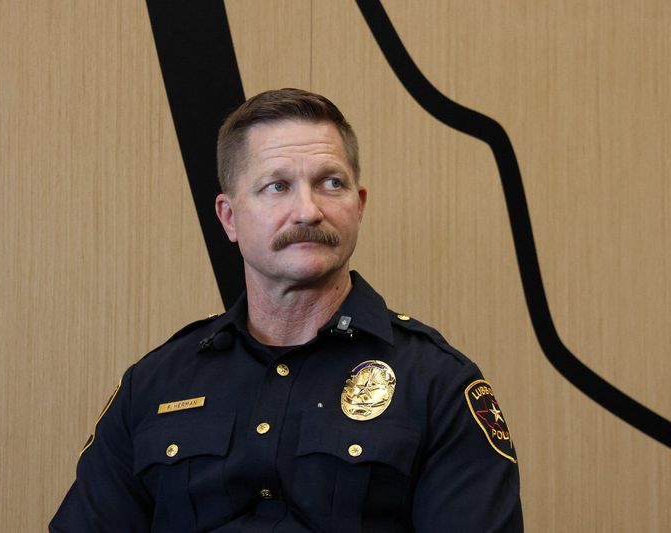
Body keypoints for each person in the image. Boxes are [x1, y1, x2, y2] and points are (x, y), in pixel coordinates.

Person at [50, 88, 524, 532]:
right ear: (229, 218)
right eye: (277, 186)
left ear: (358, 206)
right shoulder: (153, 384)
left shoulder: (438, 384)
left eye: (330, 183)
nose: (307, 210)